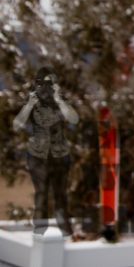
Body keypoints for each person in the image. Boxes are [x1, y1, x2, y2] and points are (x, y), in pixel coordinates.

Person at [13, 67, 79, 235]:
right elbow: (17, 125)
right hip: (38, 156)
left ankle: (66, 235)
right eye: (40, 83)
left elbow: (74, 119)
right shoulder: (32, 103)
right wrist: (28, 105)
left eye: (49, 84)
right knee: (41, 196)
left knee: (60, 197)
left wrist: (60, 100)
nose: (45, 88)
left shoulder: (60, 103)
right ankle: (39, 234)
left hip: (59, 155)